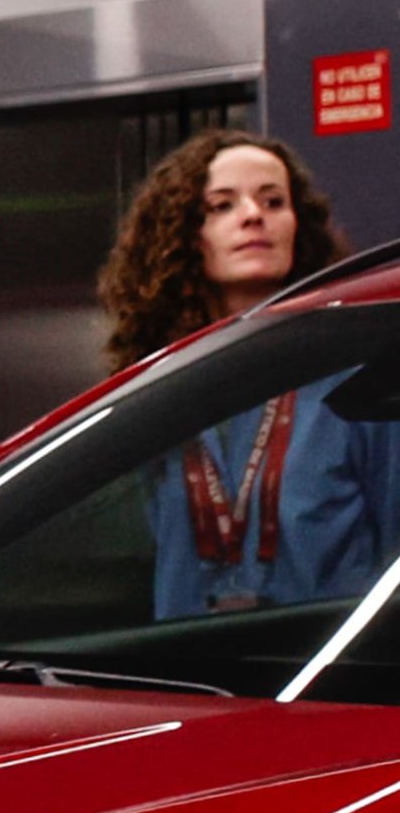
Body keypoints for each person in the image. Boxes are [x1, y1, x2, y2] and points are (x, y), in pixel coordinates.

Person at [93, 133, 369, 616]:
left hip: (330, 669)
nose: (253, 215)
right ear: (183, 235)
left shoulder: (354, 376)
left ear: (297, 225)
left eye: (273, 200)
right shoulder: (157, 387)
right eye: (222, 205)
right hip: (190, 667)